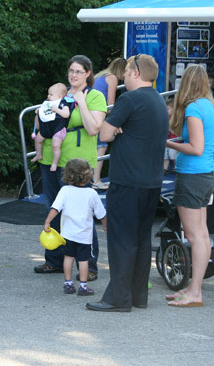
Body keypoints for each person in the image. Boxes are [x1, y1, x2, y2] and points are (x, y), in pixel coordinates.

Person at [86, 54, 168, 312]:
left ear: (134, 73)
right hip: (152, 182)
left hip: (128, 181)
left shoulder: (129, 99)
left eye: (127, 71)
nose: (122, 76)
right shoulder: (158, 99)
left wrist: (117, 128)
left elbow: (105, 133)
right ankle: (137, 296)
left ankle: (117, 299)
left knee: (121, 239)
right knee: (142, 240)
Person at [34, 55, 106, 281]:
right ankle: (54, 260)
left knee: (81, 214)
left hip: (77, 163)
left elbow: (94, 129)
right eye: (71, 71)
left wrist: (81, 102)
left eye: (78, 71)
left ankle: (90, 265)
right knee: (52, 208)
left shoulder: (94, 96)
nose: (73, 75)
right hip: (51, 158)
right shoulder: (60, 93)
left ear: (88, 73)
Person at [164, 64, 214, 307]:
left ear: (186, 83)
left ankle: (195, 292)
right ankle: (193, 288)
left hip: (192, 176)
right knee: (202, 234)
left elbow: (195, 148)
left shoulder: (194, 108)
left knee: (195, 236)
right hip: (204, 176)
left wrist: (168, 143)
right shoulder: (210, 105)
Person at [43, 159, 107, 297]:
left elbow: (55, 207)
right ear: (88, 174)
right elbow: (102, 214)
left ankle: (68, 283)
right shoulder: (92, 193)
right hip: (84, 235)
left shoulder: (65, 190)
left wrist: (48, 221)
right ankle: (83, 286)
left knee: (68, 257)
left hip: (67, 234)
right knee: (83, 260)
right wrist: (106, 226)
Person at [92, 57, 126, 187]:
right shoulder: (112, 78)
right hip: (98, 114)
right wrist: (118, 121)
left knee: (94, 146)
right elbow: (110, 104)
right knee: (102, 146)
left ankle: (90, 178)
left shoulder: (100, 75)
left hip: (89, 113)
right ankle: (96, 180)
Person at [31, 83, 73, 171]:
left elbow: (66, 114)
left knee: (55, 145)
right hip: (46, 128)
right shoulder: (47, 103)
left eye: (51, 94)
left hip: (58, 128)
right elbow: (40, 118)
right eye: (48, 94)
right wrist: (39, 112)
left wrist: (57, 110)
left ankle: (54, 163)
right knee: (37, 140)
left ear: (59, 96)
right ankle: (39, 154)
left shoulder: (63, 102)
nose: (48, 96)